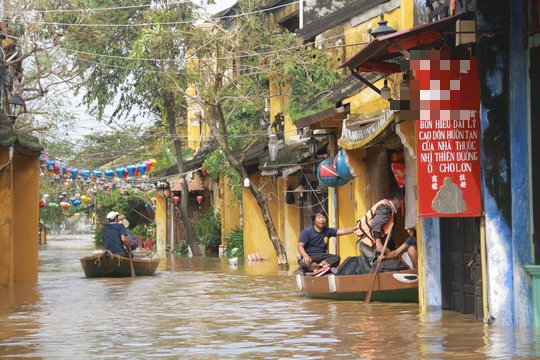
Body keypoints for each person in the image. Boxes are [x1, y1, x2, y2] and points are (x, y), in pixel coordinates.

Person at [354, 190, 404, 267]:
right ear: (395, 199)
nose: (401, 204)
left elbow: (387, 232)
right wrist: (378, 243)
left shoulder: (389, 208)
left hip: (368, 242)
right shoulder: (386, 208)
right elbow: (375, 224)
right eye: (401, 201)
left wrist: (392, 248)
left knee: (375, 267)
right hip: (369, 244)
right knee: (377, 266)